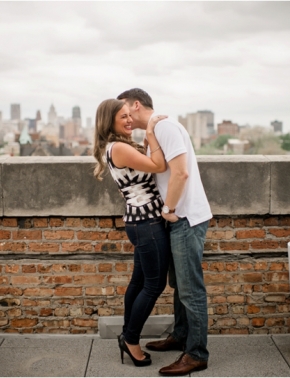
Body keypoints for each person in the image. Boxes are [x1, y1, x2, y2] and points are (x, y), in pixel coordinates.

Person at [117, 88, 213, 376]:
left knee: (191, 289)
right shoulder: (155, 131)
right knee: (179, 286)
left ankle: (196, 354)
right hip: (176, 219)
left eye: (125, 111)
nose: (125, 117)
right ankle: (181, 336)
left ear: (136, 104)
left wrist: (168, 208)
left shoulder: (166, 126)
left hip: (184, 217)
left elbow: (180, 172)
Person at [93, 98, 170, 367]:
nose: (129, 120)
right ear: (109, 122)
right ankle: (131, 339)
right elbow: (159, 166)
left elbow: (146, 165)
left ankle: (129, 333)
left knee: (139, 283)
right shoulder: (119, 148)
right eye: (122, 117)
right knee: (154, 285)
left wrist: (146, 142)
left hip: (140, 222)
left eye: (129, 115)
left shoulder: (116, 147)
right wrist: (150, 132)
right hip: (146, 224)